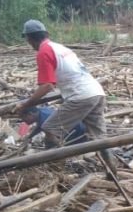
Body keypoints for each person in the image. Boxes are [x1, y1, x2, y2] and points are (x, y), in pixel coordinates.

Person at [16, 20, 110, 156]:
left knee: (50, 128)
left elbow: (48, 85)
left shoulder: (44, 52)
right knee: (100, 139)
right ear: (46, 34)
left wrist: (26, 104)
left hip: (81, 95)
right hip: (96, 92)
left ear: (29, 39)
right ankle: (112, 169)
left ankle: (54, 164)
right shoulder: (60, 47)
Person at [22, 106, 87, 144]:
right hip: (77, 126)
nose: (24, 122)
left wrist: (61, 146)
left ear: (30, 114)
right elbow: (39, 127)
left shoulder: (44, 119)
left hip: (75, 131)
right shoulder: (42, 111)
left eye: (24, 118)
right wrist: (29, 137)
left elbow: (51, 138)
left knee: (49, 141)